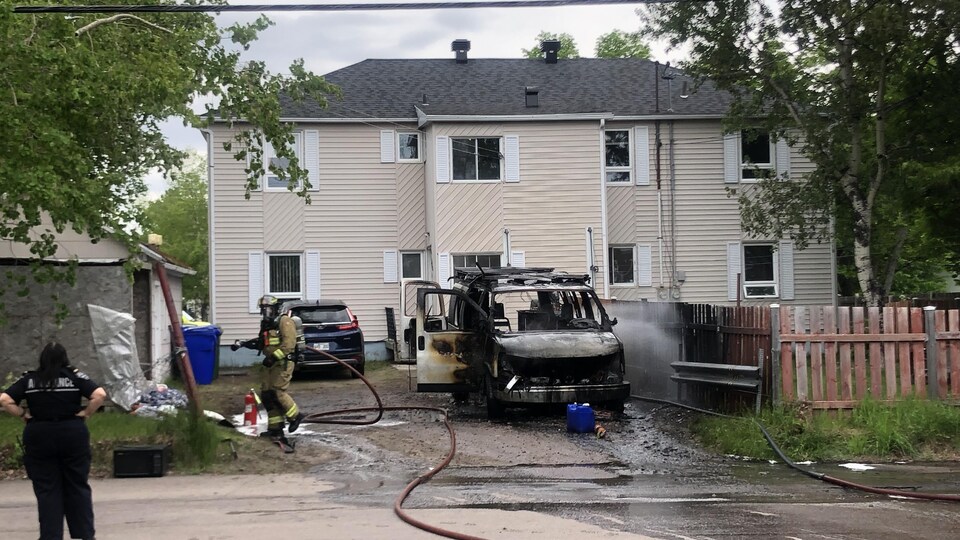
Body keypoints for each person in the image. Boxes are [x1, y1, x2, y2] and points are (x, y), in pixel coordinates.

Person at [0, 342, 107, 540]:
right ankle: (84, 534)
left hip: (39, 434)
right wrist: (86, 413)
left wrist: (23, 414)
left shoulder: (30, 379)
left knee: (47, 488)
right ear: (65, 358)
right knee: (77, 485)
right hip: (72, 432)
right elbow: (99, 395)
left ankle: (50, 536)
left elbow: (5, 399)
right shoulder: (74, 377)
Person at [240, 295, 304, 453]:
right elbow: (262, 343)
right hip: (271, 364)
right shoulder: (266, 324)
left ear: (275, 309)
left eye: (268, 309)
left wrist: (274, 357)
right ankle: (275, 428)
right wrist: (243, 344)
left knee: (278, 392)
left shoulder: (284, 321)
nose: (265, 312)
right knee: (267, 394)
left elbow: (289, 345)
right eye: (263, 310)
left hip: (283, 363)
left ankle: (296, 416)